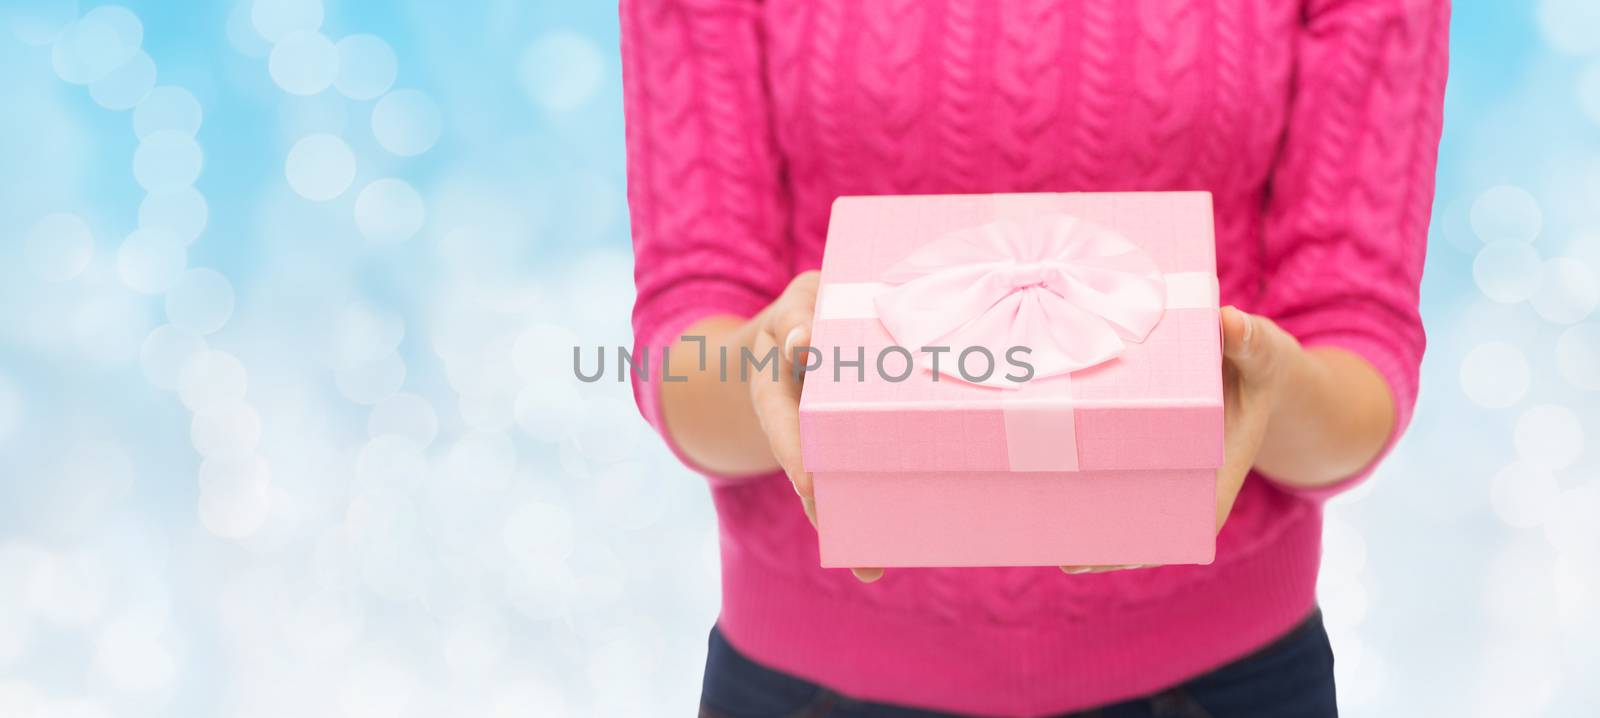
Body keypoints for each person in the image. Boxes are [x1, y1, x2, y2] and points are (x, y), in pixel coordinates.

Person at [620, 1, 1447, 715]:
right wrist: (769, 365)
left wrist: (1268, 385)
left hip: (1228, 679)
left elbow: (1357, 346)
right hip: (808, 683)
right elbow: (687, 335)